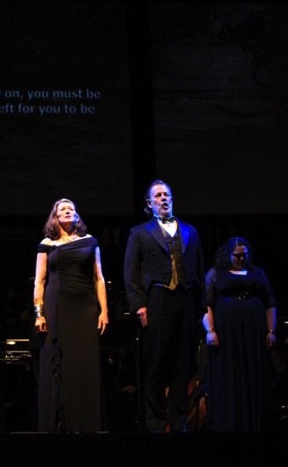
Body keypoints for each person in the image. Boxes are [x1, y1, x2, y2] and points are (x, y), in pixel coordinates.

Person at [123, 180, 205, 433]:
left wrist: (201, 306)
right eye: (158, 195)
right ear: (150, 203)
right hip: (158, 298)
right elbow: (131, 272)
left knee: (182, 362)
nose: (164, 198)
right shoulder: (140, 232)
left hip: (186, 299)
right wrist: (139, 305)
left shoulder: (190, 231)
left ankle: (179, 422)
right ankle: (156, 423)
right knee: (156, 363)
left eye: (167, 194)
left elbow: (199, 270)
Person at [33, 198, 109, 432]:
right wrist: (39, 313)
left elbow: (99, 278)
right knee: (57, 360)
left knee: (83, 361)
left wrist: (104, 311)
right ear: (55, 217)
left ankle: (85, 423)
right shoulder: (47, 243)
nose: (67, 211)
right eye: (62, 209)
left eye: (71, 209)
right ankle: (56, 425)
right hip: (56, 305)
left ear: (77, 215)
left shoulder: (90, 241)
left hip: (85, 307)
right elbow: (39, 281)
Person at [201, 236, 278, 431]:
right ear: (228, 254)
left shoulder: (257, 273)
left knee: (255, 372)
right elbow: (206, 305)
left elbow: (270, 303)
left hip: (254, 330)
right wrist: (211, 331)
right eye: (237, 255)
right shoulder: (216, 274)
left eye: (245, 255)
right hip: (227, 332)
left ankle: (257, 421)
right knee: (229, 373)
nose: (242, 259)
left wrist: (271, 331)